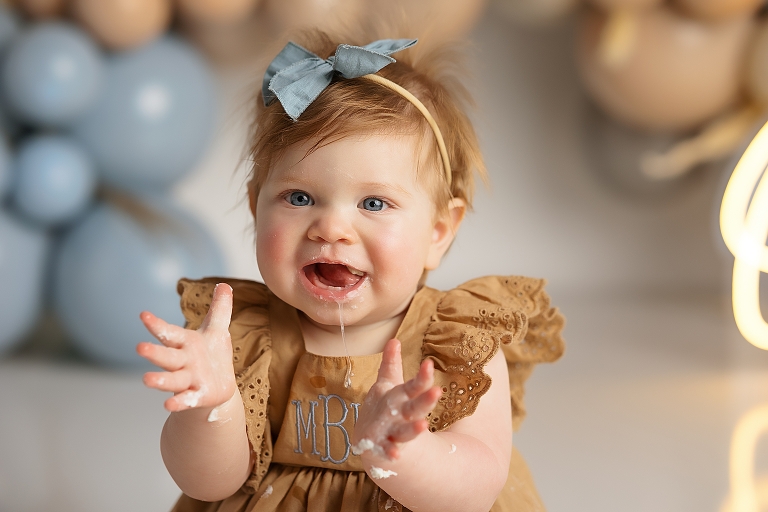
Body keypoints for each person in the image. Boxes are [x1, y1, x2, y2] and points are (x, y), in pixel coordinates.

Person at [136, 31, 565, 512]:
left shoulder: (459, 344)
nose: (332, 228)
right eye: (300, 197)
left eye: (374, 203)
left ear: (438, 231)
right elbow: (210, 484)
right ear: (256, 207)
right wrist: (213, 407)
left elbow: (477, 488)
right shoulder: (245, 338)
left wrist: (408, 455)